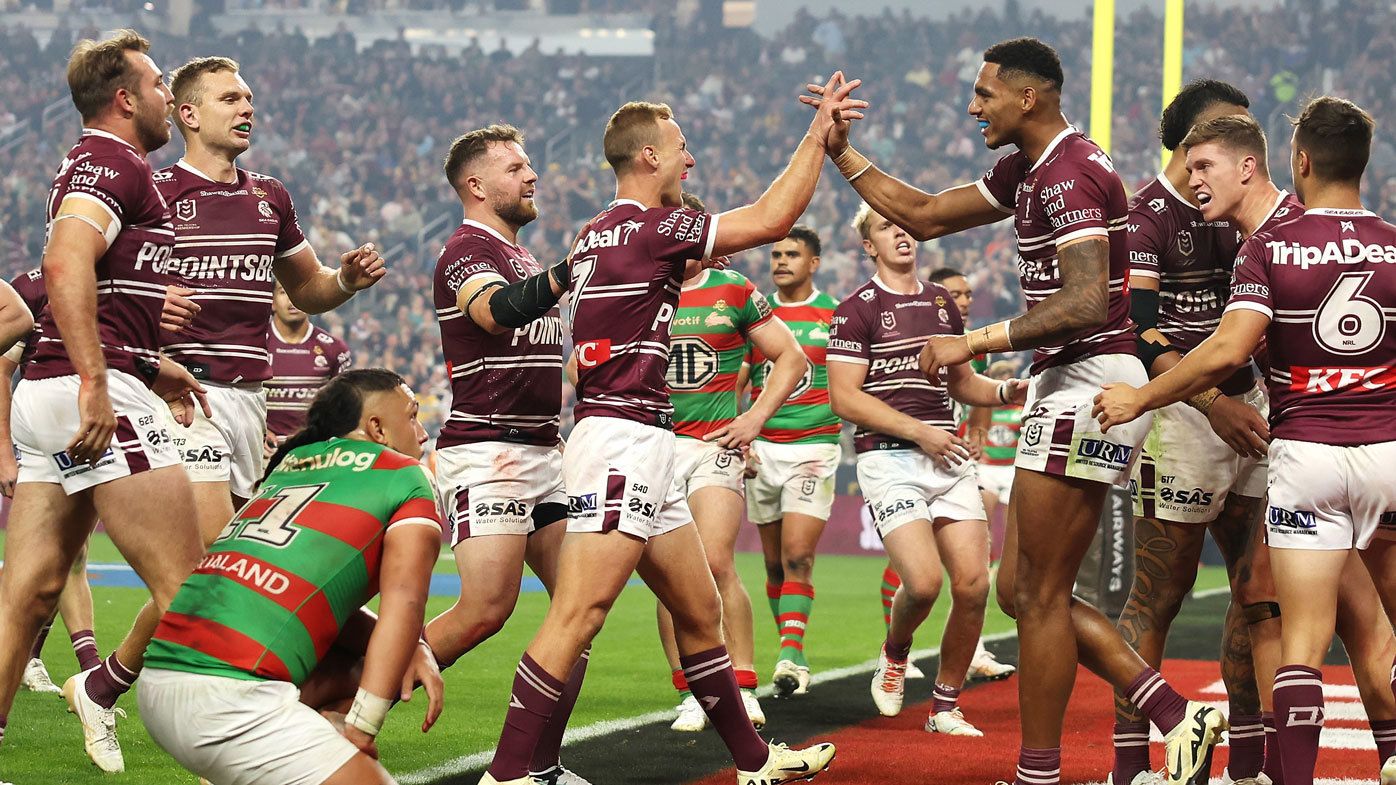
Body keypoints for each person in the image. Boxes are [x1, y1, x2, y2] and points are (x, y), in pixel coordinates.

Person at [804, 37, 1224, 784]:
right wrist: (842, 153)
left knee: (1039, 595)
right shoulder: (1026, 168)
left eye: (985, 93)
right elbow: (928, 214)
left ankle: (1040, 772)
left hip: (1091, 378)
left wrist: (974, 339)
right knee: (1022, 592)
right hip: (1066, 381)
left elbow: (1090, 298)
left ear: (1028, 97)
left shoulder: (1071, 172)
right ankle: (1174, 713)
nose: (973, 105)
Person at [477, 75, 867, 785]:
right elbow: (774, 217)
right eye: (680, 148)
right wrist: (819, 137)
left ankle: (755, 762)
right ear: (648, 157)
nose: (690, 161)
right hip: (624, 440)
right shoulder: (656, 228)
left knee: (698, 607)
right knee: (580, 612)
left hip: (640, 437)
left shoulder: (596, 231)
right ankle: (505, 774)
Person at [1094, 95, 1396, 785]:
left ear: (1275, 163)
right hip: (1368, 444)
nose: (1193, 176)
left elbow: (1228, 347)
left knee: (1311, 622)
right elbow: (1144, 323)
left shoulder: (1275, 240)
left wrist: (1143, 395)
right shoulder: (1366, 233)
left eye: (1205, 162)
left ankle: (1272, 766)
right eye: (1188, 161)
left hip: (1298, 440)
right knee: (1282, 593)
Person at [0, 30, 209, 773]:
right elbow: (63, 259)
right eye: (156, 86)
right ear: (124, 99)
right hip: (91, 390)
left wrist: (152, 362)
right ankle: (105, 689)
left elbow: (93, 282)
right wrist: (101, 379)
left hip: (57, 389)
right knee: (190, 586)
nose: (167, 98)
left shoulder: (111, 166)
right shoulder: (109, 159)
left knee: (28, 597)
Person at [138, 368, 444, 785]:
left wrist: (416, 646)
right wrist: (362, 728)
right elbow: (405, 602)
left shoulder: (291, 464)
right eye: (412, 416)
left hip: (158, 683)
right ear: (377, 428)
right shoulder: (406, 476)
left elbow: (302, 594)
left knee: (355, 664)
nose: (423, 433)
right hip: (230, 695)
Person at [1110, 80, 1274, 785]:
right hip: (1183, 416)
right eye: (1223, 130)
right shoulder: (1144, 215)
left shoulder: (1248, 207)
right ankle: (1130, 766)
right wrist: (1213, 403)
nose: (1238, 142)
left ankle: (1251, 766)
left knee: (1259, 591)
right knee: (1160, 592)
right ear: (1187, 143)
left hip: (1256, 408)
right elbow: (1140, 333)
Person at [420, 124, 590, 785]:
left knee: (577, 610)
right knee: (486, 609)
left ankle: (535, 769)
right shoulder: (463, 251)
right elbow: (493, 314)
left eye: (529, 164)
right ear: (476, 184)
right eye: (515, 167)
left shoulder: (524, 259)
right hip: (486, 451)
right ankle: (334, 702)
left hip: (546, 451)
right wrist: (575, 269)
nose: (531, 175)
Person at [157, 54, 383, 543]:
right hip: (187, 395)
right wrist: (151, 300)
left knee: (222, 561)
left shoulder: (270, 196)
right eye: (231, 98)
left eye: (249, 100)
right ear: (189, 115)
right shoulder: (156, 194)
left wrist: (344, 280)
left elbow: (307, 288)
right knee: (216, 559)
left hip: (249, 399)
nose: (247, 109)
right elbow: (104, 288)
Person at [828, 204, 1026, 738]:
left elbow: (962, 383)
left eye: (905, 226)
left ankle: (944, 706)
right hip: (889, 456)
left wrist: (1008, 391)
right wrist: (921, 433)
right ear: (868, 245)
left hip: (946, 454)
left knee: (971, 586)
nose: (901, 235)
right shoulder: (855, 309)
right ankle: (894, 655)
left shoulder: (942, 303)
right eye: (886, 229)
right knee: (922, 582)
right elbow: (844, 398)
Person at [662, 192, 805, 732]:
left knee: (712, 561)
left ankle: (741, 684)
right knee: (668, 574)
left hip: (713, 445)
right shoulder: (639, 289)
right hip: (653, 448)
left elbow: (791, 358)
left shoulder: (734, 288)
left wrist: (753, 421)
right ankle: (693, 691)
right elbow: (583, 372)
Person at [745, 224, 841, 698]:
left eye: (792, 254)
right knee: (772, 567)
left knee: (798, 554)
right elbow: (739, 379)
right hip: (763, 450)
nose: (781, 261)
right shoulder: (755, 313)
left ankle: (789, 652)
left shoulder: (834, 316)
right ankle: (792, 652)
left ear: (814, 263)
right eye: (776, 254)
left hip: (814, 448)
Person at [0, 269, 103, 696]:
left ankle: (38, 659)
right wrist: (4, 452)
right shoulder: (30, 288)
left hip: (93, 424)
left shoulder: (118, 276)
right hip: (45, 426)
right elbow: (3, 371)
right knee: (58, 555)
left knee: (66, 555)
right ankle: (92, 672)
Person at [928, 265, 1018, 684]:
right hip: (912, 456)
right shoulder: (910, 330)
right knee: (914, 567)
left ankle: (975, 650)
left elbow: (975, 388)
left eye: (966, 294)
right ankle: (895, 654)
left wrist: (979, 430)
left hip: (961, 463)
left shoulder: (972, 342)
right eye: (955, 294)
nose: (964, 301)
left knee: (977, 561)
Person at [265, 281, 353, 448]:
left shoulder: (334, 349)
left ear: (311, 301)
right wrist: (259, 433)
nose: (292, 300)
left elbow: (341, 408)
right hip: (263, 451)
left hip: (314, 452)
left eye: (297, 292)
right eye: (284, 292)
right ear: (273, 301)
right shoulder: (254, 344)